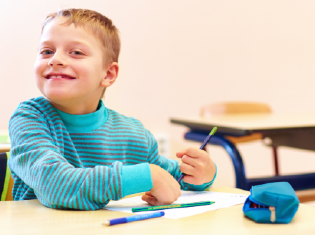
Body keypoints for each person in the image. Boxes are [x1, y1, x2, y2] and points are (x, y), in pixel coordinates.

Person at [8, 8, 217, 210]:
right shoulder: (29, 119)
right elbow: (55, 185)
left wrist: (201, 174)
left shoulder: (134, 133)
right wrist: (145, 177)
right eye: (46, 51)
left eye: (76, 52)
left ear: (108, 74)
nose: (55, 60)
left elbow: (169, 180)